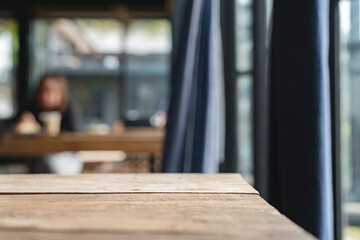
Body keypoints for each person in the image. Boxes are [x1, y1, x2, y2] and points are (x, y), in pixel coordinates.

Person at [13, 74, 83, 174]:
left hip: (65, 160)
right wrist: (19, 126)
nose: (45, 96)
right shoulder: (31, 108)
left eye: (51, 91)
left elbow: (75, 137)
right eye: (42, 91)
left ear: (61, 93)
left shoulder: (68, 109)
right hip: (37, 164)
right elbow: (11, 129)